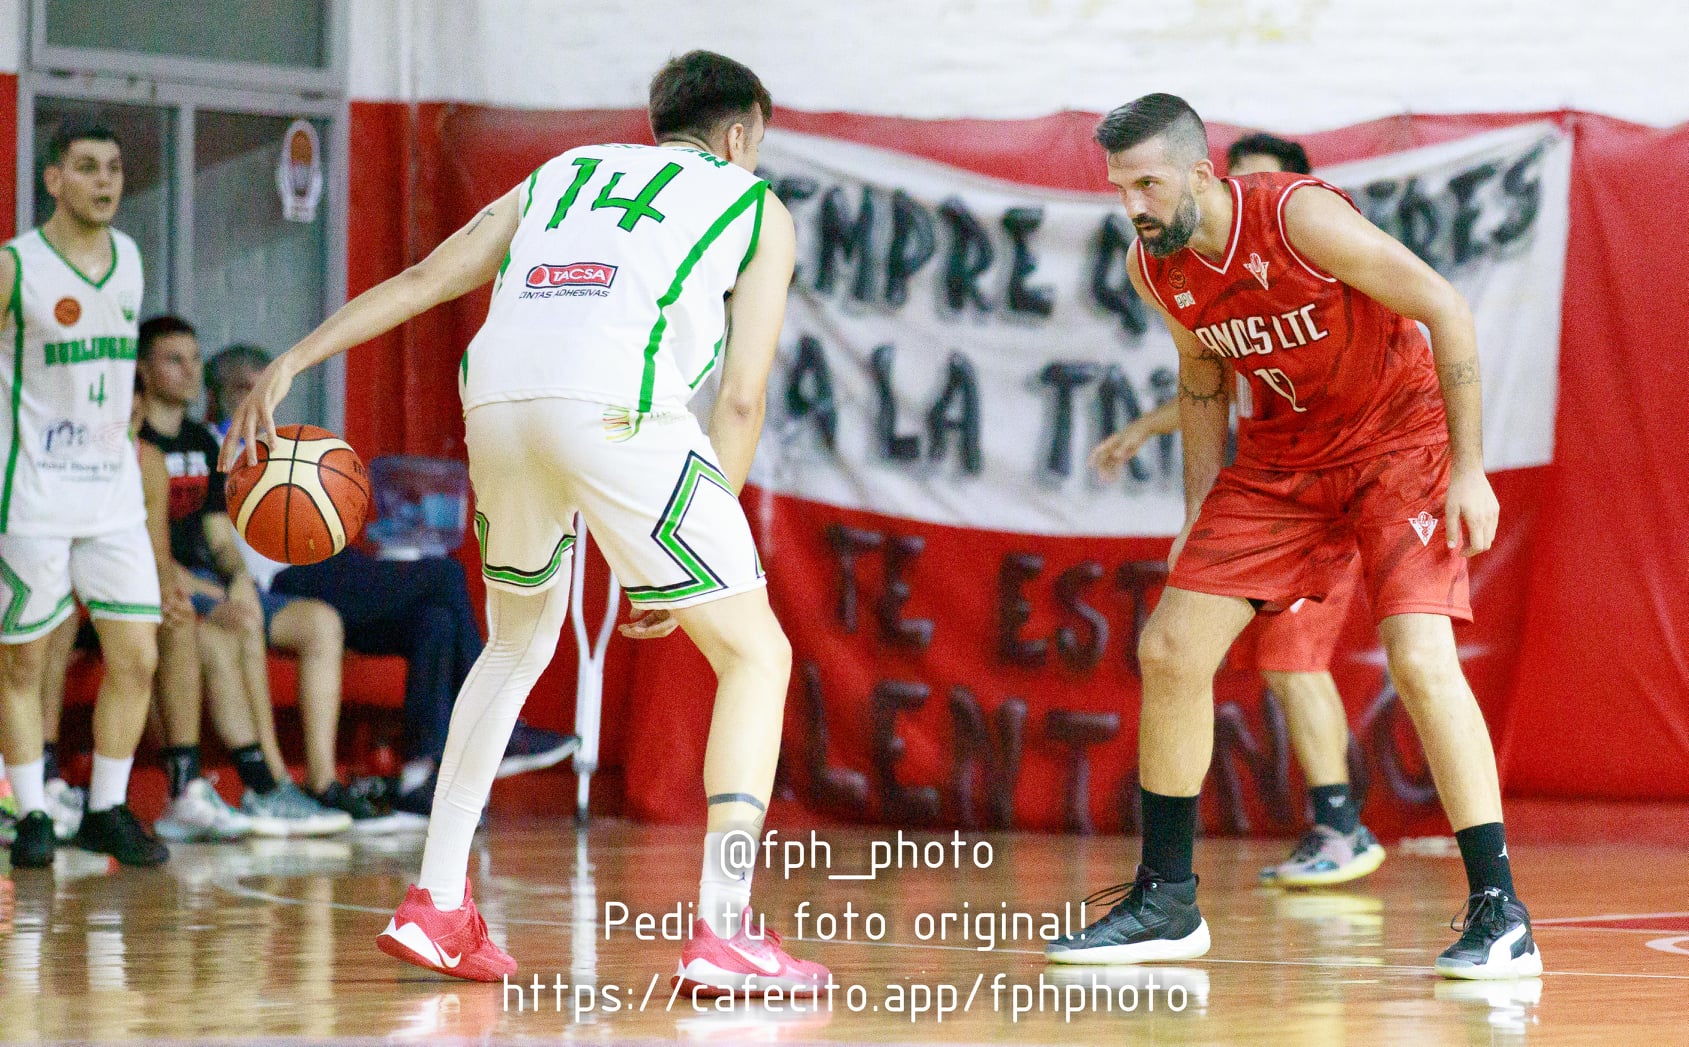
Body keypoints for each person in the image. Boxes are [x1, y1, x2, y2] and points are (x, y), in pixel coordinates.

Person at [222, 50, 824, 994]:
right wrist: (702, 554)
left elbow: (427, 275)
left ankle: (435, 902)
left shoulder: (565, 172)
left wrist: (294, 358)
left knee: (513, 644)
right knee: (756, 653)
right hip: (614, 403)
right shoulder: (756, 206)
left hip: (498, 403)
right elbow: (740, 398)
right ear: (741, 133)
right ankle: (724, 928)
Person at [1049, 94, 1538, 979]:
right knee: (1169, 648)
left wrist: (1469, 468)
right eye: (1119, 188)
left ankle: (1499, 910)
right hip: (1284, 461)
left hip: (1397, 441)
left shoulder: (1297, 216)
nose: (1131, 205)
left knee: (1417, 656)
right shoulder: (1153, 265)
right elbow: (1201, 376)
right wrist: (1198, 512)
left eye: (1147, 184)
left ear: (1202, 174)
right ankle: (1165, 902)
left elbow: (1445, 307)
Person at [1090, 132, 1382, 888]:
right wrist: (1145, 431)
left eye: (1266, 185)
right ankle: (1175, 881)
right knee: (1197, 651)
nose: (1248, 201)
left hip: (1336, 479)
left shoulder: (1318, 254)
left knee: (1296, 657)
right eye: (1238, 182)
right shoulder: (1204, 277)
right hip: (1271, 482)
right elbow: (1210, 379)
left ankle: (1342, 826)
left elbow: (1431, 316)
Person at [205, 344, 577, 811]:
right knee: (443, 574)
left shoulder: (283, 444)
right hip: (285, 579)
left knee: (435, 620)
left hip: (326, 564)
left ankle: (417, 776)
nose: (261, 398)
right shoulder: (214, 447)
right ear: (217, 394)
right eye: (246, 387)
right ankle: (496, 727)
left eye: (267, 387)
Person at [0, 120, 168, 867]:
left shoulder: (129, 258)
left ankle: (104, 807)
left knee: (138, 654)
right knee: (22, 663)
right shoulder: (15, 267)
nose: (105, 181)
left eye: (115, 168)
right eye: (88, 167)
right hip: (33, 491)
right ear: (53, 180)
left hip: (112, 491)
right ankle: (31, 810)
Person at [136, 316, 353, 836]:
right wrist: (218, 593)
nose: (191, 370)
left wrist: (235, 579)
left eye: (195, 358)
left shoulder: (202, 442)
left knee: (319, 622)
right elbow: (144, 549)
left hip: (207, 583)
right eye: (174, 359)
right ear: (142, 369)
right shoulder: (135, 442)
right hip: (157, 584)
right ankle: (267, 783)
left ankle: (319, 781)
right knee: (232, 627)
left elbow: (218, 536)